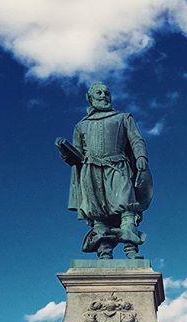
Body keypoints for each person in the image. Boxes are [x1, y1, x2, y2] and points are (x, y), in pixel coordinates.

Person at [56, 81, 154, 259]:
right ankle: (104, 253)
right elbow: (76, 159)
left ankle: (131, 251)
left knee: (126, 208)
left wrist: (141, 157)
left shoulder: (123, 118)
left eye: (106, 93)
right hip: (91, 172)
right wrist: (65, 151)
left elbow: (136, 140)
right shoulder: (81, 126)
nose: (104, 96)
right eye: (99, 93)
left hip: (117, 167)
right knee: (98, 215)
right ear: (90, 98)